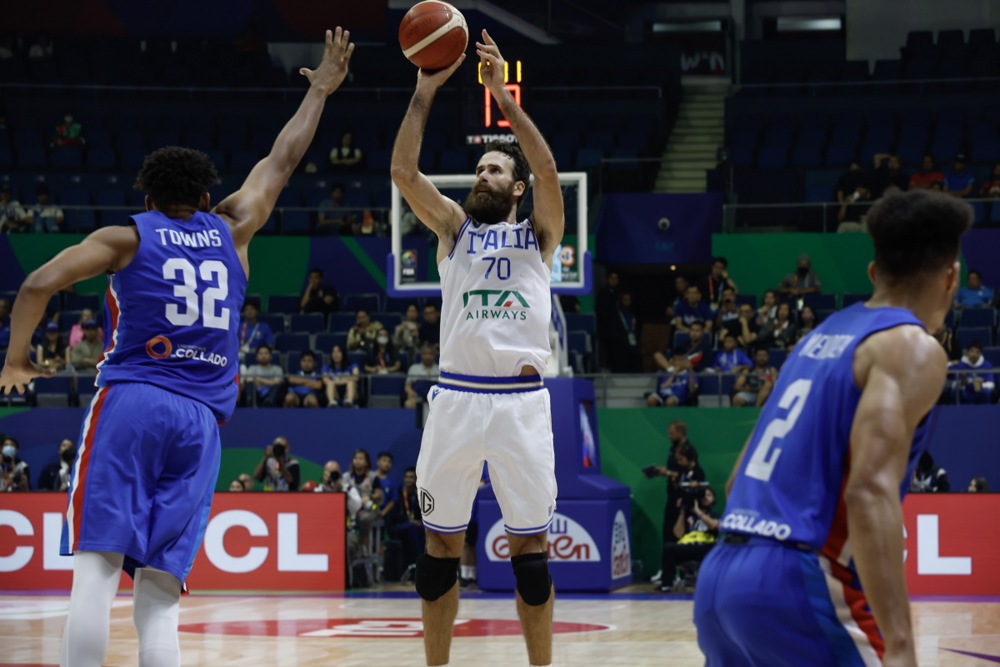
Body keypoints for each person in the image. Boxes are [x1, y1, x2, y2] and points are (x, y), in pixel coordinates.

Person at [0, 28, 354, 667]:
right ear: (204, 195)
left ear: (147, 198)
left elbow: (36, 283)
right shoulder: (233, 228)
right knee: (160, 597)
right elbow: (282, 160)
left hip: (134, 401)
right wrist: (322, 90)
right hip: (203, 423)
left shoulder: (125, 237)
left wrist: (16, 359)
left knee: (96, 571)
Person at [694, 190, 972, 667]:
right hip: (795, 579)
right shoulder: (911, 347)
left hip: (720, 578)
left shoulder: (816, 338)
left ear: (872, 273)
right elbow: (868, 492)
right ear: (952, 277)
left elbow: (736, 479)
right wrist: (902, 645)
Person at [390, 29, 561, 667]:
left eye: (496, 169)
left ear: (515, 189)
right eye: (481, 168)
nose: (483, 175)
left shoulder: (540, 235)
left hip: (520, 405)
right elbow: (403, 172)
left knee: (531, 558)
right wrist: (424, 90)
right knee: (437, 554)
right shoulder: (453, 231)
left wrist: (502, 99)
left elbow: (545, 167)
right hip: (458, 399)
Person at [659, 486, 720, 593]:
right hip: (687, 546)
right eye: (703, 495)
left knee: (716, 547)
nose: (705, 498)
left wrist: (697, 511)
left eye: (709, 495)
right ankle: (667, 584)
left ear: (714, 499)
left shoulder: (715, 515)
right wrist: (682, 511)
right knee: (668, 547)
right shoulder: (688, 515)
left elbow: (713, 526)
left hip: (705, 548)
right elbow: (678, 534)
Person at [404, 343, 439, 407]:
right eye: (425, 354)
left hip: (435, 397)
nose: (428, 356)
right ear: (421, 355)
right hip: (417, 396)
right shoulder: (414, 368)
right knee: (408, 404)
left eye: (430, 354)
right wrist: (410, 392)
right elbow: (407, 386)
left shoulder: (440, 370)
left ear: (435, 355)